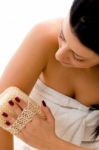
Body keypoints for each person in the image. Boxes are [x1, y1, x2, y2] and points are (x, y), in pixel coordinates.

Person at [0, 0, 99, 149]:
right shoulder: (44, 36)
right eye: (63, 36)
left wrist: (49, 142)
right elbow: (1, 114)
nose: (59, 55)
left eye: (78, 57)